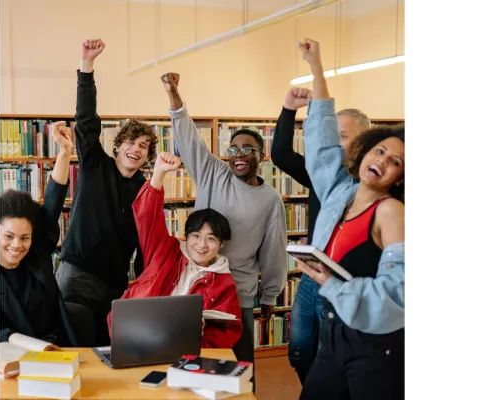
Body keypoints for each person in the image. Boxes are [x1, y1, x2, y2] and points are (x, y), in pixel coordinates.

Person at [293, 38, 405, 400]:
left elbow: (401, 293)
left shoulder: (391, 211)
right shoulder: (340, 191)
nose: (384, 161)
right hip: (334, 332)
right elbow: (322, 141)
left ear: (400, 178)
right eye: (381, 150)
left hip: (374, 346)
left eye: (396, 162)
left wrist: (333, 285)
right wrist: (317, 67)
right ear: (364, 151)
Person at [160, 72, 288, 388]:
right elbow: (188, 138)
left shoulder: (270, 199)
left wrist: (270, 295)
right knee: (191, 363)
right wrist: (174, 95)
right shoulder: (213, 173)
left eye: (247, 149)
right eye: (233, 149)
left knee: (241, 370)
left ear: (262, 156)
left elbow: (273, 249)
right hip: (198, 286)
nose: (238, 155)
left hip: (239, 293)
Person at [56, 39, 159, 346]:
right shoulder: (94, 164)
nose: (136, 149)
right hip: (78, 276)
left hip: (115, 285)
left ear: (147, 156)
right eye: (131, 142)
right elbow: (86, 120)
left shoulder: (145, 190)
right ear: (118, 146)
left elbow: (147, 243)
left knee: (108, 352)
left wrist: (143, 287)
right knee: (73, 349)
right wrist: (86, 66)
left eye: (143, 146)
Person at [271, 89, 372, 388]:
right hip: (310, 276)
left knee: (328, 353)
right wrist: (289, 110)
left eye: (342, 135)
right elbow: (280, 154)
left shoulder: (374, 186)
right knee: (299, 350)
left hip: (341, 281)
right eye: (331, 136)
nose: (334, 144)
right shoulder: (322, 175)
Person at [107, 152, 243, 348]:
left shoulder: (224, 282)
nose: (202, 245)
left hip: (183, 349)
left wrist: (200, 337)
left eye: (211, 238)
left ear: (221, 244)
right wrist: (159, 172)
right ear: (186, 236)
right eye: (196, 236)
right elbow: (148, 216)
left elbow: (227, 332)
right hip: (136, 337)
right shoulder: (165, 250)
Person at [0, 122, 86, 347]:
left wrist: (65, 152)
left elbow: (53, 201)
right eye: (8, 236)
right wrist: (20, 340)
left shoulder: (36, 253)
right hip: (7, 355)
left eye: (24, 237)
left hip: (56, 348)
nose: (17, 245)